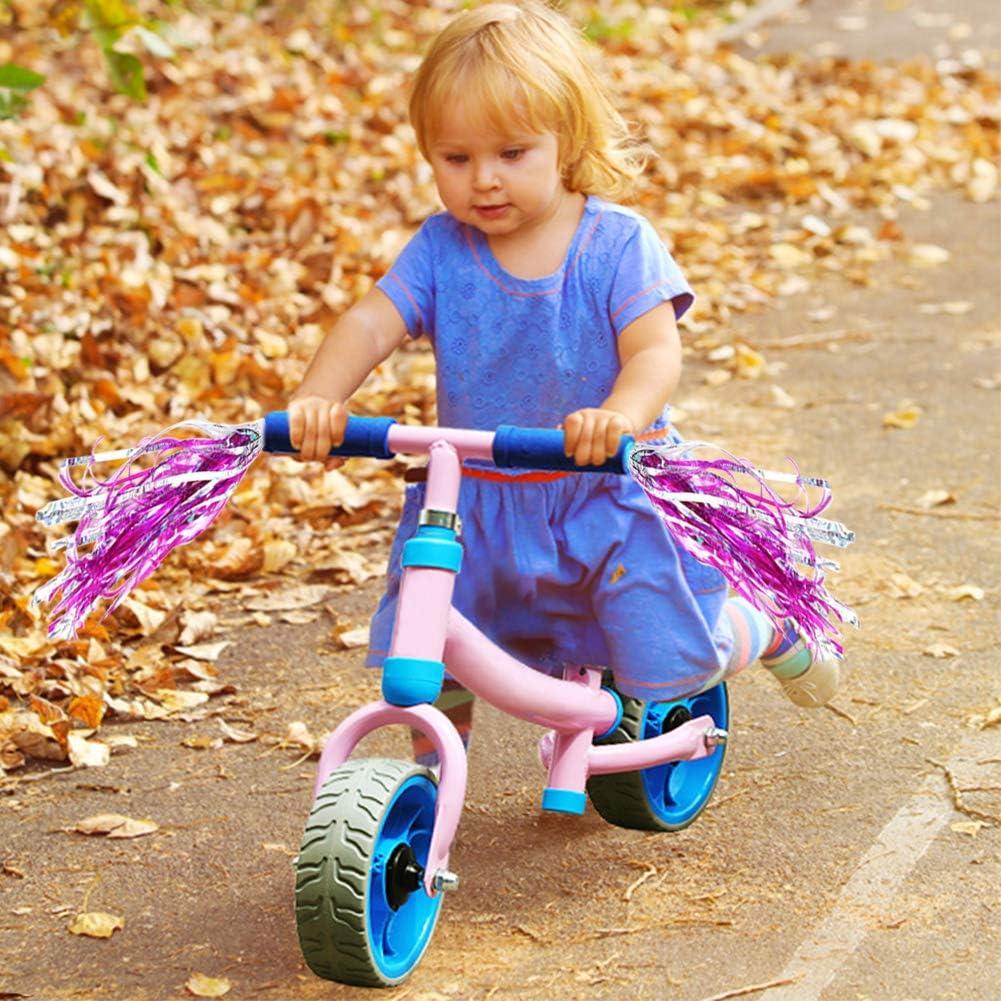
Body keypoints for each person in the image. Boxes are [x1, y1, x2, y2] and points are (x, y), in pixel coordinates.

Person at [287, 1, 840, 766]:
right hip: (478, 496)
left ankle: (764, 629)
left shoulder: (614, 245)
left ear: (566, 141)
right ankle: (426, 772)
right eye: (455, 158)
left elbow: (654, 351)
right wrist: (320, 396)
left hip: (604, 495)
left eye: (513, 152)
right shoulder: (441, 248)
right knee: (430, 627)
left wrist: (618, 414)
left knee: (669, 651)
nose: (483, 180)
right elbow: (370, 323)